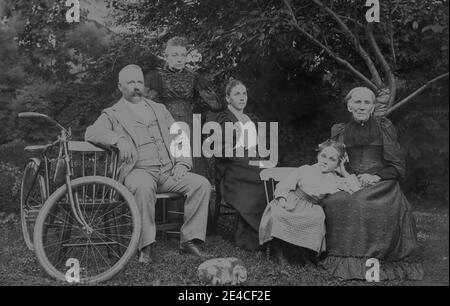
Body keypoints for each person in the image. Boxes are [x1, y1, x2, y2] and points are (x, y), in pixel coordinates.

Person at [85, 64, 211, 264]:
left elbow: (179, 135)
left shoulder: (159, 109)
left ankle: (189, 240)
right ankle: (146, 246)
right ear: (120, 86)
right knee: (143, 188)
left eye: (139, 82)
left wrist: (182, 162)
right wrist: (118, 140)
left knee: (201, 184)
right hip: (138, 171)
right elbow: (91, 132)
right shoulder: (112, 113)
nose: (136, 86)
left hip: (169, 171)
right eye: (131, 82)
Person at [320, 87, 424, 280]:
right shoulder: (340, 131)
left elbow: (397, 165)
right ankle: (340, 258)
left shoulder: (383, 127)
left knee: (360, 203)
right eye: (357, 102)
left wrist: (376, 176)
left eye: (366, 103)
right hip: (350, 180)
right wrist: (347, 176)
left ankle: (371, 260)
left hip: (381, 183)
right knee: (333, 201)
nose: (361, 107)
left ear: (373, 107)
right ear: (349, 106)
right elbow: (332, 161)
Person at [259, 140, 361, 265]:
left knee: (316, 219)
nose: (325, 161)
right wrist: (282, 199)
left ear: (337, 164)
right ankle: (280, 251)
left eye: (332, 159)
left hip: (312, 207)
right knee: (280, 214)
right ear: (318, 155)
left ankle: (304, 255)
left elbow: (356, 189)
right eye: (323, 156)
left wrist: (343, 171)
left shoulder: (335, 179)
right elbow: (285, 185)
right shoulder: (305, 169)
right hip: (293, 200)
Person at [145, 36, 225, 178]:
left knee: (193, 170)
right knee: (169, 170)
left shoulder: (193, 77)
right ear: (166, 56)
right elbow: (146, 105)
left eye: (183, 55)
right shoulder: (157, 77)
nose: (179, 59)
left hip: (189, 126)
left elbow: (216, 105)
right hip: (165, 126)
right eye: (175, 55)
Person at [214, 79, 267, 251]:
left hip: (250, 164)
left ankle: (270, 230)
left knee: (270, 174)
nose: (242, 97)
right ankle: (252, 236)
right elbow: (221, 150)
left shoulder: (250, 119)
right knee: (260, 175)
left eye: (244, 93)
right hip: (231, 170)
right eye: (237, 94)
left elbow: (260, 146)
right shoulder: (222, 119)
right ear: (228, 98)